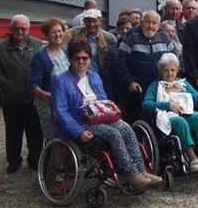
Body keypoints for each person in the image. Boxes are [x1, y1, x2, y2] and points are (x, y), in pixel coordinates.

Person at [52, 40, 162, 191]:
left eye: (85, 58)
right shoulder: (61, 81)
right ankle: (132, 175)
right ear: (70, 59)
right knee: (113, 134)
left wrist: (119, 119)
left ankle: (141, 171)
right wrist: (79, 132)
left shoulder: (94, 76)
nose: (81, 61)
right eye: (77, 58)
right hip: (81, 122)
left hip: (100, 118)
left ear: (90, 59)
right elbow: (61, 111)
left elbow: (105, 103)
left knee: (127, 130)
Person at [142, 53, 198, 172]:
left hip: (187, 113)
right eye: (166, 70)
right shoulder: (155, 86)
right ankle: (193, 159)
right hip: (167, 117)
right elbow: (146, 105)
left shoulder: (183, 83)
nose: (170, 74)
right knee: (180, 122)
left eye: (173, 70)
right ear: (160, 72)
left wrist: (182, 90)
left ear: (177, 71)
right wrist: (167, 105)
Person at [0, 14, 43, 173]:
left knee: (35, 131)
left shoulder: (37, 44)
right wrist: (10, 88)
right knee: (13, 131)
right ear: (11, 29)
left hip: (33, 98)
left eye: (23, 28)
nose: (20, 31)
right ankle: (14, 161)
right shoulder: (0, 49)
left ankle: (35, 159)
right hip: (11, 99)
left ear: (28, 29)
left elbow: (43, 67)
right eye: (17, 28)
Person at [117, 10, 175, 123]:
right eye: (148, 22)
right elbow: (120, 61)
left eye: (154, 23)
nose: (151, 26)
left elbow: (172, 58)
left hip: (159, 85)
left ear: (159, 25)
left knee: (158, 116)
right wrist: (129, 82)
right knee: (136, 117)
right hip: (137, 86)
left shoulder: (163, 35)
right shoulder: (131, 35)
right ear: (141, 22)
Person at [30, 17, 70, 143]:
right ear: (47, 35)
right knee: (53, 138)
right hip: (48, 105)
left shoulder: (65, 53)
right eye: (53, 32)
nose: (57, 35)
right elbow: (33, 85)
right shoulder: (40, 56)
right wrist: (43, 94)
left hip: (65, 102)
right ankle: (50, 162)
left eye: (60, 31)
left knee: (66, 136)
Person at [71, 8, 116, 74]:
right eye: (88, 21)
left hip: (100, 76)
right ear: (84, 21)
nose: (92, 25)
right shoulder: (75, 33)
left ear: (100, 21)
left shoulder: (109, 38)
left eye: (94, 21)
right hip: (78, 74)